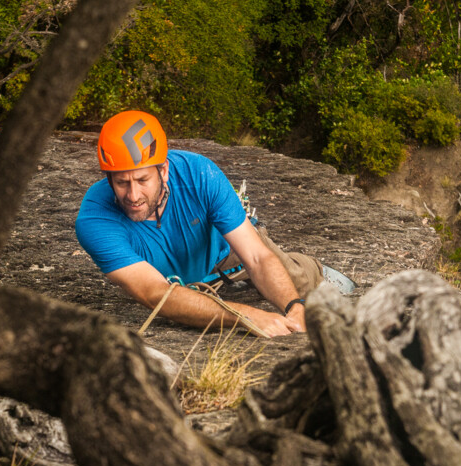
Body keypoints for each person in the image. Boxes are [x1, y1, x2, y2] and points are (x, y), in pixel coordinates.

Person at [75, 110, 325, 337]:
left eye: (142, 180)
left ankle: (317, 268)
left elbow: (257, 257)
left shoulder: (200, 174)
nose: (133, 195)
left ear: (163, 170)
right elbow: (155, 293)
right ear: (108, 179)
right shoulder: (95, 219)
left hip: (229, 254)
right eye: (121, 183)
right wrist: (243, 315)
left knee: (298, 279)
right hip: (169, 282)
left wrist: (294, 306)